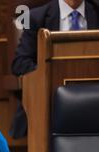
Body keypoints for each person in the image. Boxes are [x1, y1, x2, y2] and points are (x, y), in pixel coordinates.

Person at [10, 0, 99, 138]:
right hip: (50, 101)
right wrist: (51, 72)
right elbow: (20, 63)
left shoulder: (96, 12)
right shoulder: (35, 17)